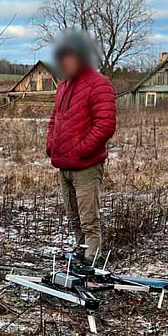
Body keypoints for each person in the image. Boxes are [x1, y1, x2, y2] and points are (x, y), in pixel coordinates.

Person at [46, 30, 117, 264]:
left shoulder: (99, 84)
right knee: (73, 216)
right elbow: (55, 119)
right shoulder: (64, 86)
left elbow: (105, 124)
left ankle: (92, 262)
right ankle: (80, 252)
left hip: (86, 165)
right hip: (63, 164)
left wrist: (82, 150)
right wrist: (51, 146)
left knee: (89, 218)